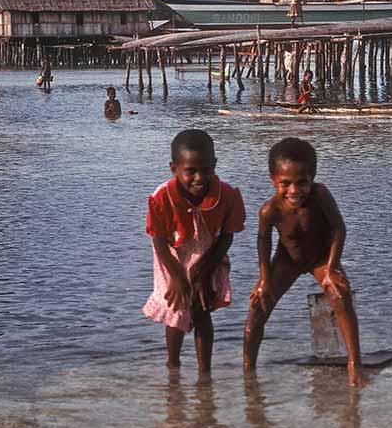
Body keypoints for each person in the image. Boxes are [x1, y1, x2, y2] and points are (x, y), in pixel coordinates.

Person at [244, 138, 366, 387]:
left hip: (321, 258)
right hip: (288, 260)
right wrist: (263, 280)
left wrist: (332, 268)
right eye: (285, 183)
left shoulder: (320, 195)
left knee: (340, 294)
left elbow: (339, 229)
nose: (294, 190)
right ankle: (248, 371)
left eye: (302, 183)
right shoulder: (269, 211)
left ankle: (355, 364)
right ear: (273, 180)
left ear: (312, 179)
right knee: (258, 308)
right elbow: (263, 242)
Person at [143, 130, 246, 378]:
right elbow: (158, 240)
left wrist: (204, 271)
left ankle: (204, 376)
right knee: (177, 311)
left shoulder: (227, 195)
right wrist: (179, 277)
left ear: (215, 165)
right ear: (174, 169)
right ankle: (173, 368)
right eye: (191, 171)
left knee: (201, 309)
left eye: (206, 169)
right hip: (172, 257)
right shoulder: (162, 197)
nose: (199, 178)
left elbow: (227, 236)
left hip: (209, 254)